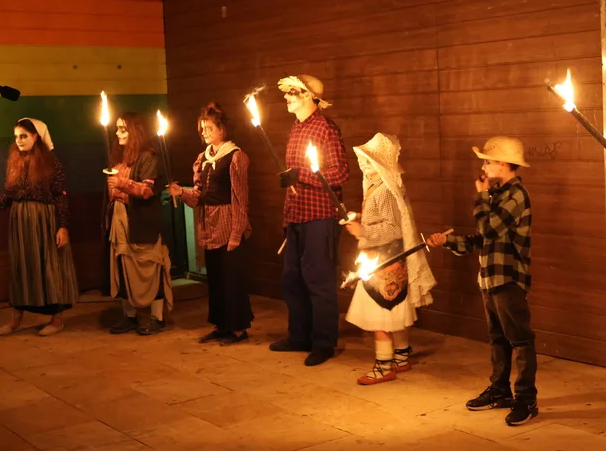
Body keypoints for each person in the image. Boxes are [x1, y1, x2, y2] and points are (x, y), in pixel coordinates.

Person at [427, 136, 536, 426]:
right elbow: (482, 240)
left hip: (509, 278)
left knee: (520, 340)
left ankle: (526, 399)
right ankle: (500, 390)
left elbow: (488, 229)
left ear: (503, 164)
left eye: (488, 161)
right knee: (497, 337)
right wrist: (448, 241)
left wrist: (480, 195)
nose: (484, 167)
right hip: (489, 278)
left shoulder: (517, 195)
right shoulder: (497, 194)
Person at [268, 75, 350, 367]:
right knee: (292, 279)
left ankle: (324, 343)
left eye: (292, 92)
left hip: (320, 217)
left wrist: (302, 175)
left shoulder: (326, 128)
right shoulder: (296, 127)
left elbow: (341, 173)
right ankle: (299, 336)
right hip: (296, 216)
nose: (286, 97)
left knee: (319, 280)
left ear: (308, 96)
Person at [0, 118, 78, 336]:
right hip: (20, 223)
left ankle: (57, 320)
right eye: (17, 136)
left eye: (24, 136)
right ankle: (16, 319)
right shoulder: (15, 162)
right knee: (22, 268)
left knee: (50, 267)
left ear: (36, 136)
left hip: (44, 221)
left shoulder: (52, 164)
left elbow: (60, 197)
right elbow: (9, 197)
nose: (19, 140)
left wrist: (63, 227)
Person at [344, 133, 436, 384]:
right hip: (386, 258)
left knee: (381, 314)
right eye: (362, 160)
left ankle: (384, 366)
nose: (363, 165)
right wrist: (361, 219)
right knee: (394, 311)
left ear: (380, 163)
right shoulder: (378, 186)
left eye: (368, 160)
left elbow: (393, 229)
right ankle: (402, 356)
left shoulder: (384, 191)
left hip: (384, 261)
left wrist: (363, 231)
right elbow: (384, 220)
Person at [168, 103, 253, 345]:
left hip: (228, 221)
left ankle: (238, 329)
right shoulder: (203, 158)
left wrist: (236, 233)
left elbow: (240, 198)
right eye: (202, 128)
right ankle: (221, 325)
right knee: (215, 278)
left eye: (209, 128)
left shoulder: (235, 157)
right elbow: (198, 196)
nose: (204, 132)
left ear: (222, 129)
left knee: (231, 279)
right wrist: (181, 192)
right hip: (210, 223)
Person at [106, 112, 173, 336]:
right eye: (117, 128)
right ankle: (130, 316)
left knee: (150, 266)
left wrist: (122, 183)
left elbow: (146, 190)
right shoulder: (121, 158)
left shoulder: (149, 157)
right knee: (124, 265)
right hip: (121, 222)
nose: (118, 133)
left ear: (135, 131)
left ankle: (157, 318)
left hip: (142, 222)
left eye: (123, 129)